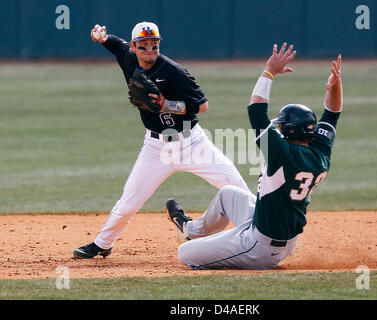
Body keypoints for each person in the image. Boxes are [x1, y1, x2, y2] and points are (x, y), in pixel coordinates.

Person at [73, 22, 249, 259]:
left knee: (238, 189)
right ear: (134, 46)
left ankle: (260, 236)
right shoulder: (128, 57)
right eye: (144, 45)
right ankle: (103, 243)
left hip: (192, 143)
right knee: (129, 201)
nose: (150, 49)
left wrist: (168, 105)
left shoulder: (175, 72)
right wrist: (102, 38)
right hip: (155, 147)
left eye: (154, 44)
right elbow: (116, 45)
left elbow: (203, 106)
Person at [166, 43, 343, 269]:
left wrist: (269, 71)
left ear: (289, 131)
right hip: (283, 236)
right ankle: (190, 231)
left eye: (281, 126)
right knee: (228, 194)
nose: (277, 129)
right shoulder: (320, 151)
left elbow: (256, 110)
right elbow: (332, 114)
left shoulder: (281, 153)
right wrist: (334, 88)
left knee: (185, 255)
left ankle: (221, 252)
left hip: (260, 247)